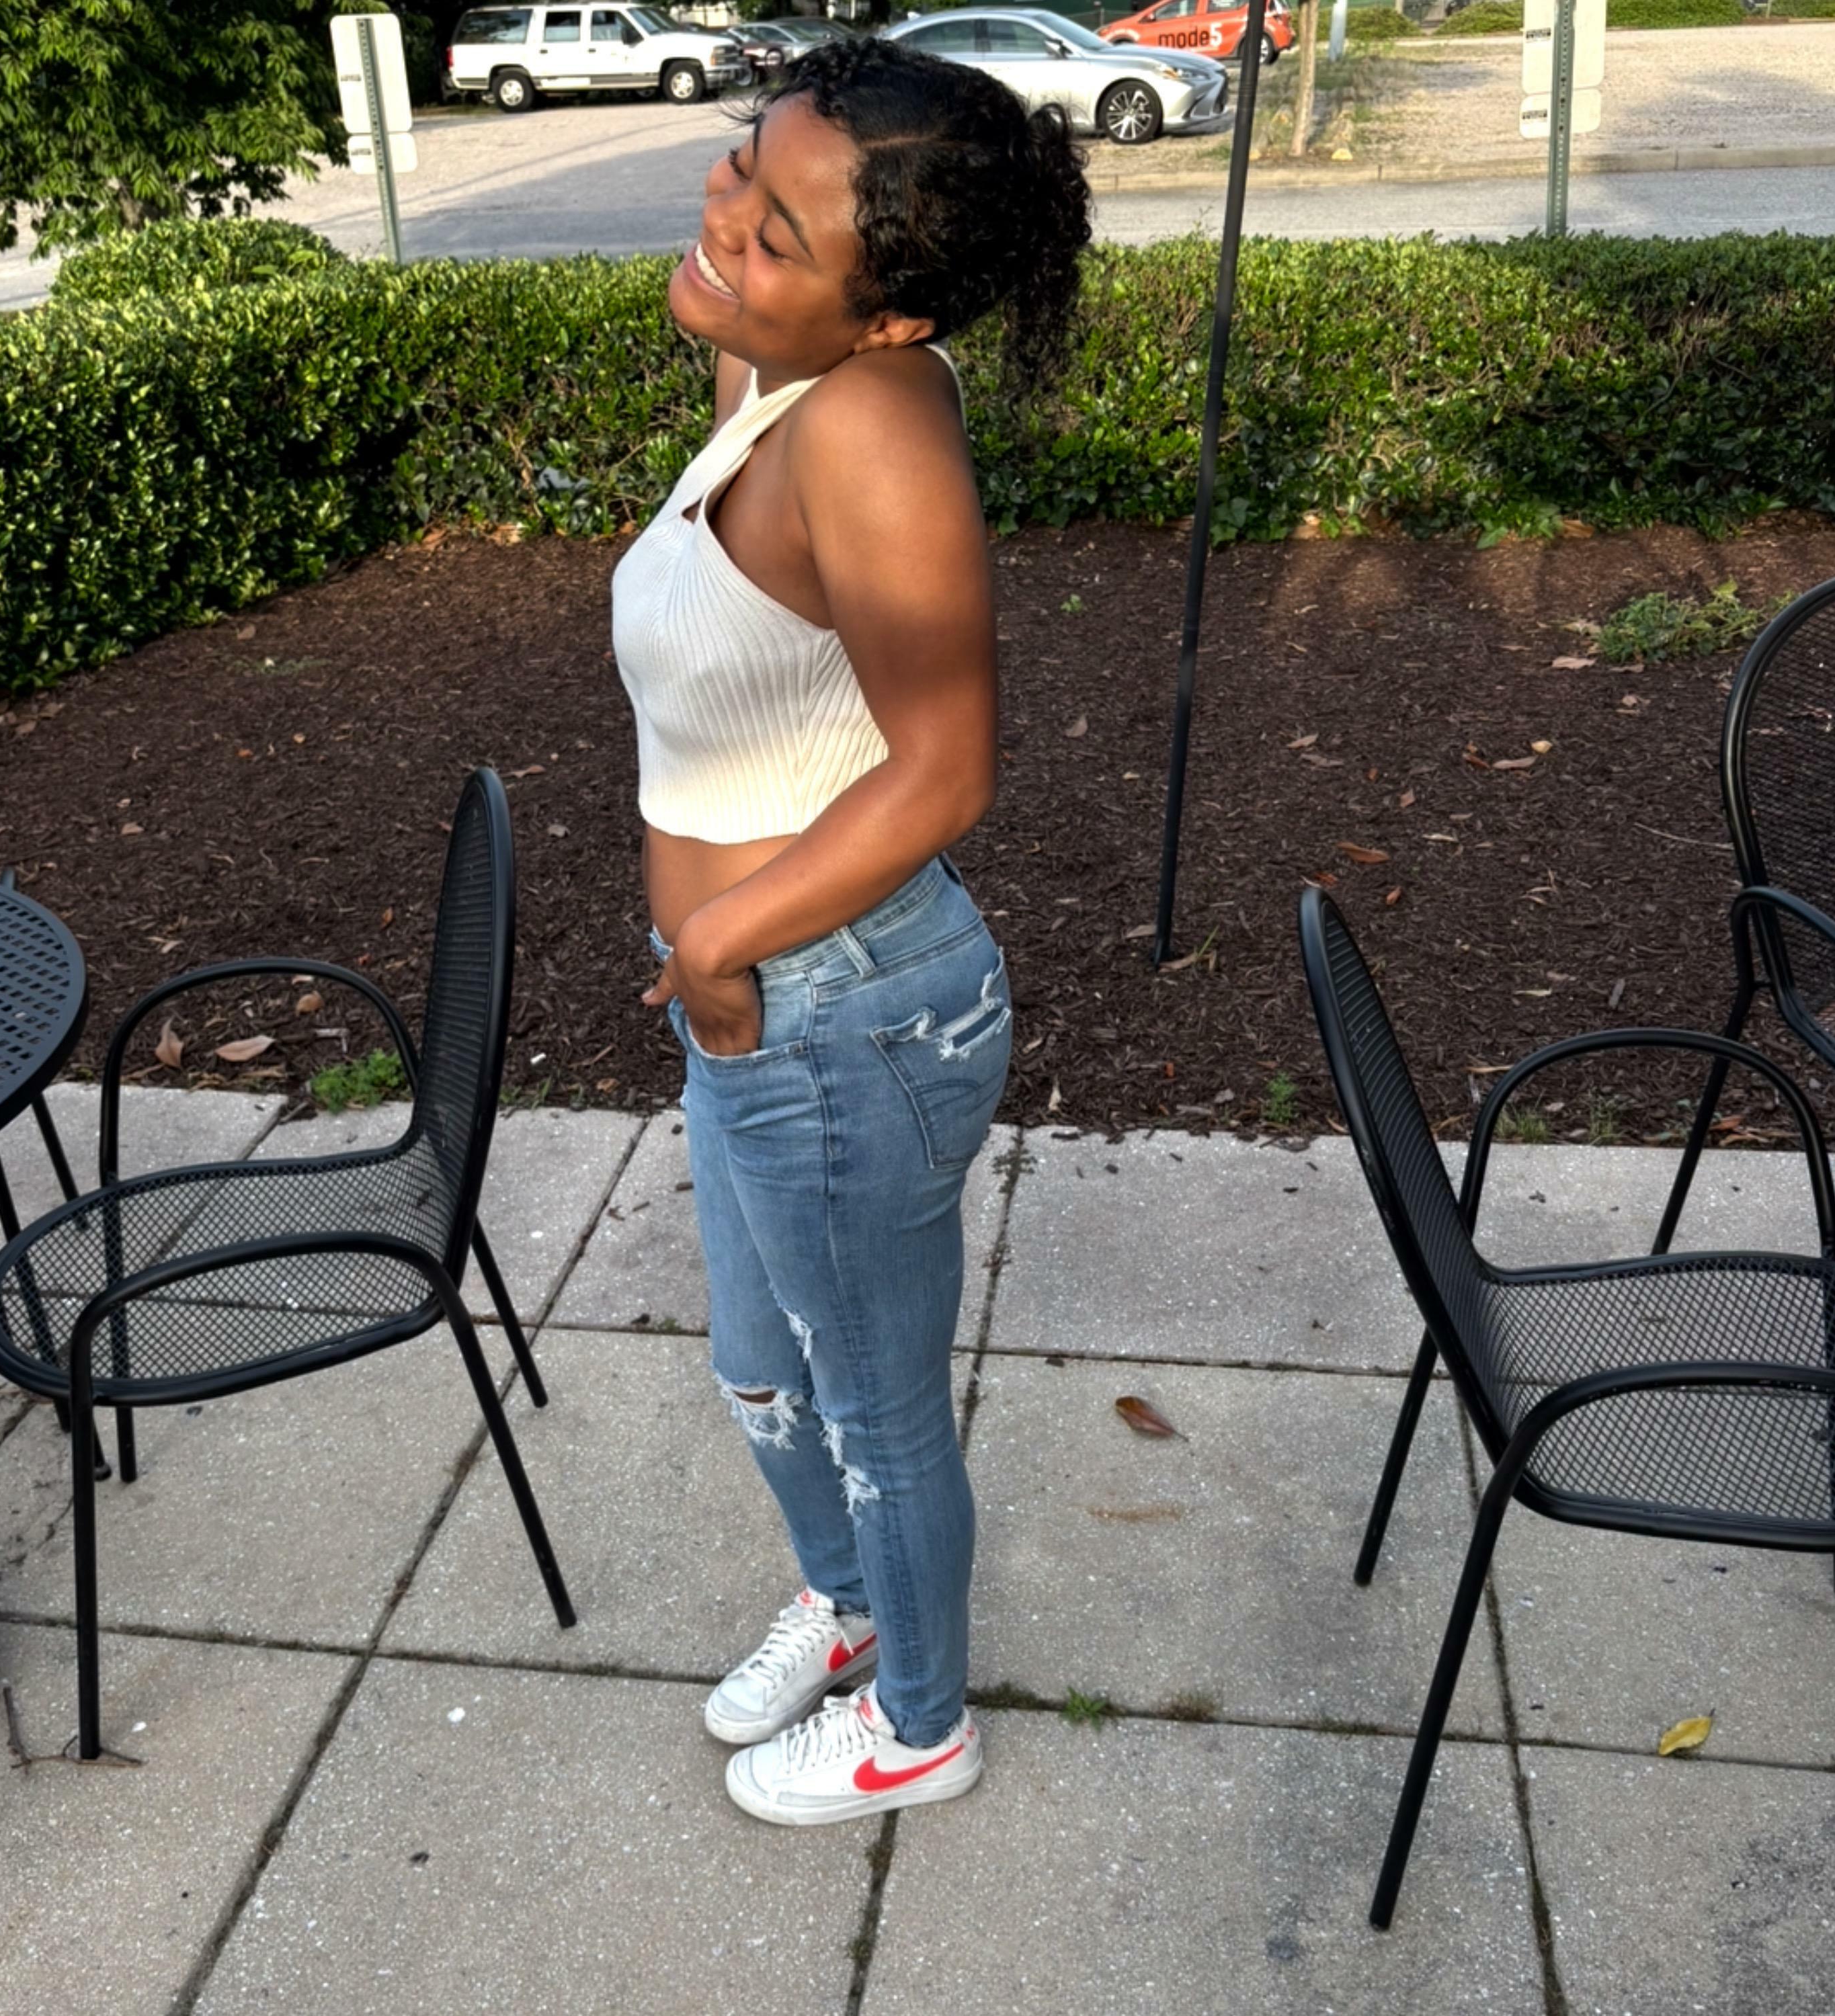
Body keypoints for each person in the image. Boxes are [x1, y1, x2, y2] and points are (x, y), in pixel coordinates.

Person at [612, 36, 1091, 1826]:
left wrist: (722, 939)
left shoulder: (872, 423)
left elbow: (949, 769)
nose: (726, 212)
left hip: (840, 1008)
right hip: (754, 999)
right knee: (760, 1366)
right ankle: (845, 1601)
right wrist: (713, 963)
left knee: (876, 1404)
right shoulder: (783, 364)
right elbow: (749, 286)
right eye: (745, 159)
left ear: (888, 318)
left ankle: (918, 1723)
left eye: (779, 229)